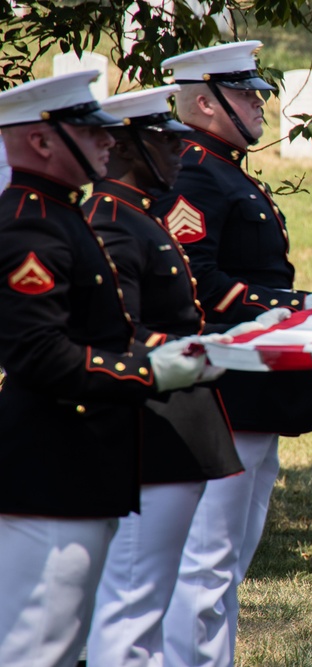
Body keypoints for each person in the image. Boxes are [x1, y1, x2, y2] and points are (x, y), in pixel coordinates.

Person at [151, 41, 312, 667]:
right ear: (203, 102)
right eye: (245, 94)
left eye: (257, 92)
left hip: (253, 392)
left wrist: (301, 302)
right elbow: (191, 276)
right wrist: (283, 306)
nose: (259, 104)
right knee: (206, 564)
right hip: (220, 389)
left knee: (229, 561)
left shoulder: (224, 170)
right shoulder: (194, 170)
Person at [0, 71, 218, 667]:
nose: (107, 142)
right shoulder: (30, 223)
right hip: (50, 465)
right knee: (37, 648)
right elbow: (39, 353)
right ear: (42, 142)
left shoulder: (60, 213)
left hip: (79, 465)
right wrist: (147, 374)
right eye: (89, 131)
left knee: (63, 643)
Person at [84, 85, 272, 667]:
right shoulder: (113, 220)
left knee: (173, 586)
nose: (176, 151)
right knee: (140, 597)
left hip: (184, 416)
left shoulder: (137, 216)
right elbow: (118, 330)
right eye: (163, 141)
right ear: (126, 148)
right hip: (151, 422)